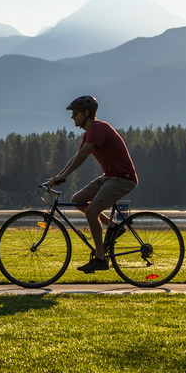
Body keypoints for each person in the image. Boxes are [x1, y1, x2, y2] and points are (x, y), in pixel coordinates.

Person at [45, 95, 138, 273]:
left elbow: (83, 154)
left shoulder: (98, 128)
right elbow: (78, 156)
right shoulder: (89, 132)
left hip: (123, 178)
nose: (72, 117)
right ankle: (112, 226)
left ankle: (101, 259)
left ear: (86, 113)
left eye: (75, 114)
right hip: (110, 177)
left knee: (91, 210)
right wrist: (59, 176)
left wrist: (62, 175)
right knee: (77, 199)